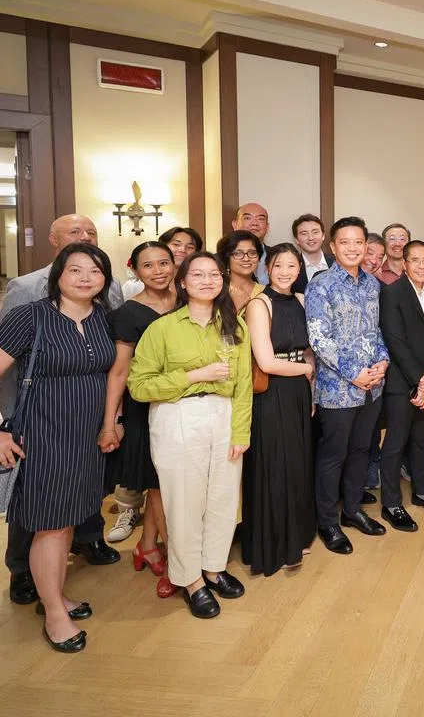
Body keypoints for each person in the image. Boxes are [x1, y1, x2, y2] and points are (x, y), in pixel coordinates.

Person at [0, 243, 116, 652]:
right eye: (75, 270)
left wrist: (109, 424)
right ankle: (53, 614)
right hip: (43, 436)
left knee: (66, 521)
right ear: (58, 275)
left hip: (86, 437)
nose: (86, 278)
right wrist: (0, 429)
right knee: (50, 524)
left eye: (95, 271)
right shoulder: (30, 317)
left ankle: (55, 595)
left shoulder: (104, 318)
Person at [129, 252, 253, 619]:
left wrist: (241, 430)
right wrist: (193, 376)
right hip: (177, 416)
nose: (206, 280)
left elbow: (243, 384)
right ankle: (190, 579)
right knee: (184, 503)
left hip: (224, 414)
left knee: (223, 498)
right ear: (182, 282)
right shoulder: (162, 329)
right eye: (197, 274)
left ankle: (213, 567)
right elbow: (138, 386)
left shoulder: (235, 327)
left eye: (214, 274)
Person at [305, 217, 389, 555]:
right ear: (333, 246)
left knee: (361, 451)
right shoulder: (321, 284)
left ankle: (353, 510)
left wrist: (383, 361)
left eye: (359, 242)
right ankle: (327, 521)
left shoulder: (372, 283)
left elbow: (377, 330)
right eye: (345, 243)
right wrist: (353, 372)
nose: (353, 248)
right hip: (338, 389)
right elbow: (319, 337)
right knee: (332, 457)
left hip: (373, 386)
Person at [103, 242, 179, 599]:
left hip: (184, 402)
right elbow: (119, 372)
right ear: (134, 269)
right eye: (149, 266)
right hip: (145, 406)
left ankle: (146, 546)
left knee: (158, 485)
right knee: (161, 485)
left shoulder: (186, 298)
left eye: (164, 263)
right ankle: (176, 560)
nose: (159, 271)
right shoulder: (129, 313)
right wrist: (109, 422)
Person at [241, 243, 317, 575]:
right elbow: (266, 361)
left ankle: (296, 536)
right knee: (275, 464)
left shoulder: (301, 301)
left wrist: (311, 387)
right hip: (271, 393)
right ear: (267, 269)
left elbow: (309, 350)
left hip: (300, 392)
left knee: (299, 463)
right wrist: (304, 370)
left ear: (299, 271)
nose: (285, 272)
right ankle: (272, 542)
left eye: (291, 266)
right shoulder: (259, 304)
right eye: (278, 266)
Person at [376, 240, 424, 531]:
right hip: (402, 383)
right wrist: (421, 381)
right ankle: (391, 504)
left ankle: (421, 492)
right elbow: (395, 341)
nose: (421, 265)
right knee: (395, 444)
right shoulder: (392, 294)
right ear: (404, 264)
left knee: (423, 440)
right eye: (415, 260)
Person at [122, 226, 203, 299]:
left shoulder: (200, 282)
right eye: (176, 244)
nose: (182, 250)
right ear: (162, 246)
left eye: (190, 247)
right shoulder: (135, 286)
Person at [218, 231, 265, 313]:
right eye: (238, 254)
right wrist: (236, 307)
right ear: (227, 258)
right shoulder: (217, 291)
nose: (246, 259)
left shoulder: (266, 292)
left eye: (252, 253)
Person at [291, 214, 333, 293]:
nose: (310, 238)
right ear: (296, 239)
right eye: (304, 234)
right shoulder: (291, 268)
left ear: (323, 235)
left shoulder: (337, 263)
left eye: (315, 232)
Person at [231, 202, 270, 283]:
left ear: (267, 227)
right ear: (235, 225)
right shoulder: (219, 260)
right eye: (248, 218)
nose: (254, 223)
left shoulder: (277, 255)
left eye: (260, 219)